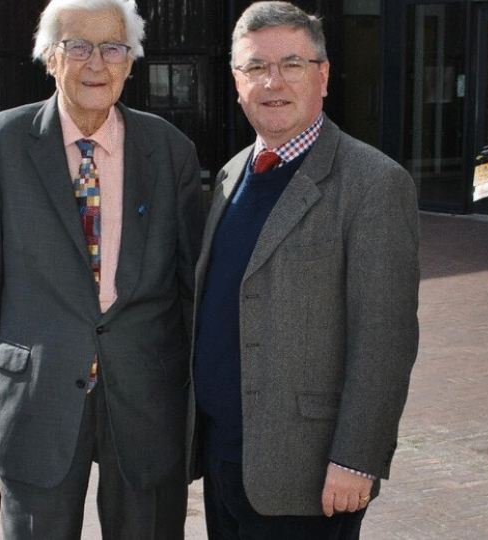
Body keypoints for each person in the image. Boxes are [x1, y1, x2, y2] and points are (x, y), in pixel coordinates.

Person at [0, 0, 204, 538]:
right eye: (79, 47)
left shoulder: (171, 151)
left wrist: (195, 394)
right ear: (49, 57)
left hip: (146, 396)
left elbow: (190, 290)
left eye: (113, 48)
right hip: (35, 395)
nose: (97, 63)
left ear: (130, 61)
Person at [187, 2, 420, 539]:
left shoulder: (372, 183)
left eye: (291, 64)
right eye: (255, 68)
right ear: (236, 81)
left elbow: (385, 338)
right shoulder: (229, 175)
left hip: (311, 475)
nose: (273, 82)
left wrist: (358, 459)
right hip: (225, 461)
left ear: (323, 75)